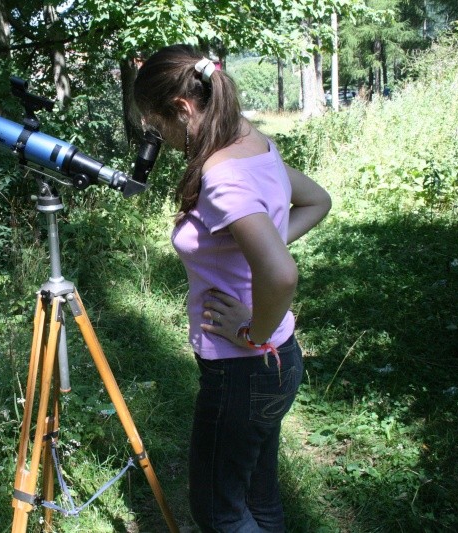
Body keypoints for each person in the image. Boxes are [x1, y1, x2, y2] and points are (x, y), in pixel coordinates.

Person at [132, 44, 331, 532]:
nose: (164, 141)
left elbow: (281, 274)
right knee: (259, 497)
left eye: (160, 127)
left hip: (243, 370)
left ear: (182, 108)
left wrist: (250, 331)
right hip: (280, 362)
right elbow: (315, 201)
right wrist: (258, 248)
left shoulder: (222, 174)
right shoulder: (252, 142)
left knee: (221, 512)